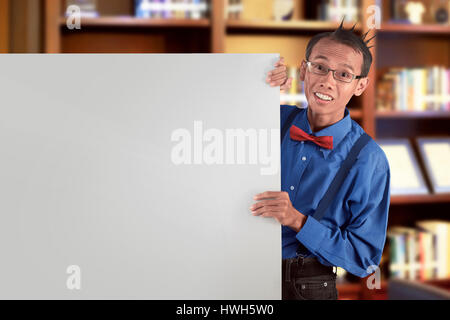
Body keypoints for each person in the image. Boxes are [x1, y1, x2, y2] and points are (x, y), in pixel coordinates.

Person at [250, 20, 390, 300]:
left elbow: (363, 259)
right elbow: (206, 121)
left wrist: (299, 221)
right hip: (241, 270)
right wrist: (254, 83)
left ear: (361, 86)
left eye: (343, 74)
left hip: (308, 286)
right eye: (320, 67)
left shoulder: (369, 160)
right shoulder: (269, 119)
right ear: (303, 70)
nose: (327, 81)